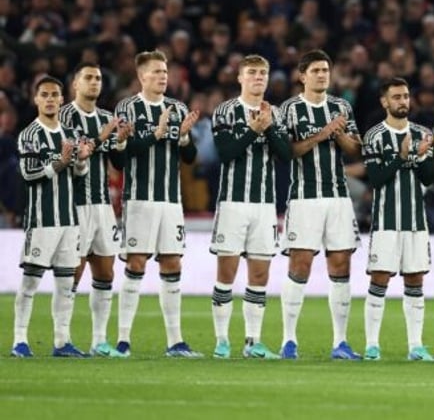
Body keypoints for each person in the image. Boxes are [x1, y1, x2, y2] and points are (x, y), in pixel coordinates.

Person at [114, 51, 202, 357]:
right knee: (136, 263)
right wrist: (158, 133)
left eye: (165, 71)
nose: (163, 76)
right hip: (139, 199)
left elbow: (191, 158)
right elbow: (122, 156)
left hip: (171, 201)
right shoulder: (128, 107)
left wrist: (186, 139)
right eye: (156, 72)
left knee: (172, 263)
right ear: (141, 77)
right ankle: (123, 340)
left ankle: (175, 342)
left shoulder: (177, 108)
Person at [278, 49, 362, 360]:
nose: (322, 75)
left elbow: (355, 151)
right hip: (304, 198)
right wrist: (321, 135)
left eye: (326, 70)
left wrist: (338, 136)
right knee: (300, 264)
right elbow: (287, 152)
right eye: (315, 70)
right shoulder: (289, 109)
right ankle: (289, 340)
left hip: (338, 198)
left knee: (341, 264)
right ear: (302, 76)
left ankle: (340, 342)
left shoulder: (341, 106)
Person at [210, 55, 292, 359]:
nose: (258, 77)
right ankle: (221, 341)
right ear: (240, 78)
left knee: (259, 276)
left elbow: (285, 155)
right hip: (232, 204)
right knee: (227, 274)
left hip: (264, 206)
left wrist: (268, 128)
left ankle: (252, 342)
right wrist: (253, 130)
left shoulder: (277, 113)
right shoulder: (226, 111)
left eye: (263, 73)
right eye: (252, 73)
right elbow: (225, 153)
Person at [12, 76, 94, 357]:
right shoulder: (29, 134)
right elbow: (28, 174)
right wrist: (59, 162)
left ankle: (62, 341)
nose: (49, 99)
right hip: (42, 219)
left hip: (68, 220)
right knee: (31, 281)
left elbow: (79, 175)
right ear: (36, 99)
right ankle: (19, 341)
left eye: (54, 95)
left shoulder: (70, 135)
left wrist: (82, 159)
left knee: (65, 283)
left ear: (62, 99)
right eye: (44, 94)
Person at [59, 63, 133, 357]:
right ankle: (61, 340)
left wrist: (122, 142)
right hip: (75, 205)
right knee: (72, 273)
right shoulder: (65, 115)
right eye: (88, 78)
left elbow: (118, 163)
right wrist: (104, 138)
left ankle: (99, 341)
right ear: (75, 84)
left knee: (105, 271)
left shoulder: (106, 117)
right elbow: (77, 151)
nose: (94, 82)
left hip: (103, 205)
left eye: (98, 78)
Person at [362, 77, 434, 361]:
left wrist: (419, 157)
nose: (402, 101)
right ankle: (372, 345)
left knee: (415, 280)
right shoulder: (374, 136)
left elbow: (429, 178)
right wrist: (402, 155)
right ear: (385, 102)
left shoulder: (421, 133)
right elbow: (376, 179)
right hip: (386, 222)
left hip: (416, 222)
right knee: (380, 279)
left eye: (405, 96)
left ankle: (416, 346)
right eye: (396, 97)